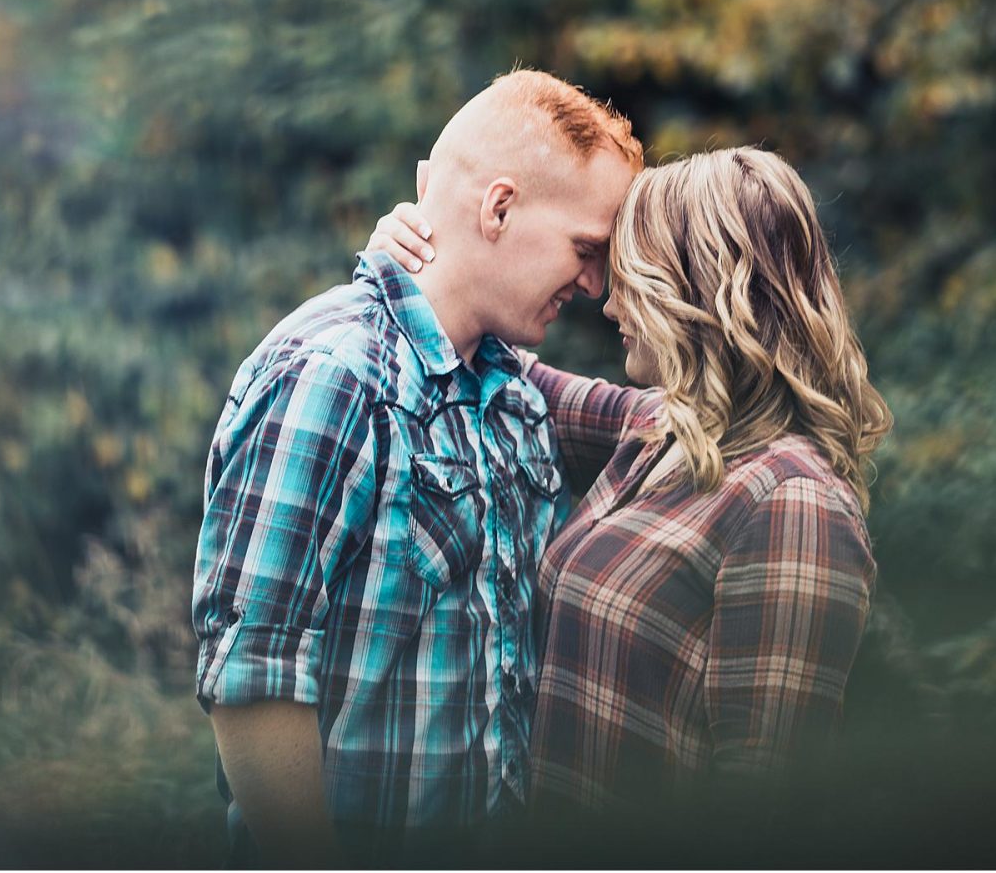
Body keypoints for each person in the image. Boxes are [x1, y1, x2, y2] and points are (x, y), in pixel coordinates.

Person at [367, 146, 891, 835]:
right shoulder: (662, 431)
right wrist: (423, 259)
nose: (609, 301)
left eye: (629, 275)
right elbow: (497, 366)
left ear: (696, 286)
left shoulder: (793, 501)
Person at [191, 69, 643, 865]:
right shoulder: (334, 373)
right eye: (587, 249)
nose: (597, 284)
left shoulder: (511, 395)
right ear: (499, 208)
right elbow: (254, 678)